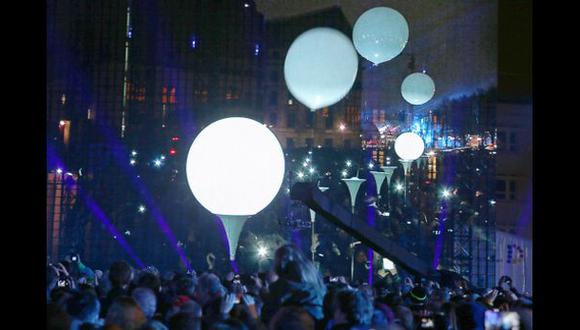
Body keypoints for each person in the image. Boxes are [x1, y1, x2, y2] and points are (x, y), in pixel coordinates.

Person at [262, 245, 326, 325]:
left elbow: (268, 315)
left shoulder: (283, 284)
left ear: (282, 260)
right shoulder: (311, 273)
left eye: (276, 259)